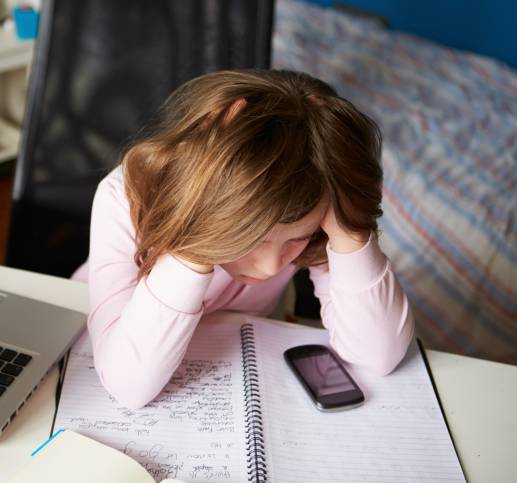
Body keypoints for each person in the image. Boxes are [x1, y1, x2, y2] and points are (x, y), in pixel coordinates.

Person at [71, 69, 414, 409]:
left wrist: (349, 229)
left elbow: (378, 357)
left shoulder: (313, 200)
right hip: (93, 338)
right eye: (252, 240)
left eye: (297, 238)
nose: (270, 268)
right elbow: (128, 387)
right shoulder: (123, 196)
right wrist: (200, 224)